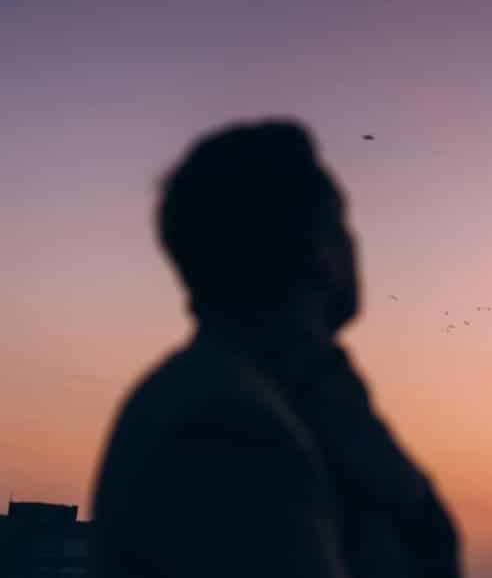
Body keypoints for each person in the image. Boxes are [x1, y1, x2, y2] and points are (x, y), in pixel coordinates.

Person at [91, 119, 460, 578]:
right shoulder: (226, 423)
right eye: (343, 226)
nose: (355, 243)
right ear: (319, 251)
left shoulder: (286, 399)